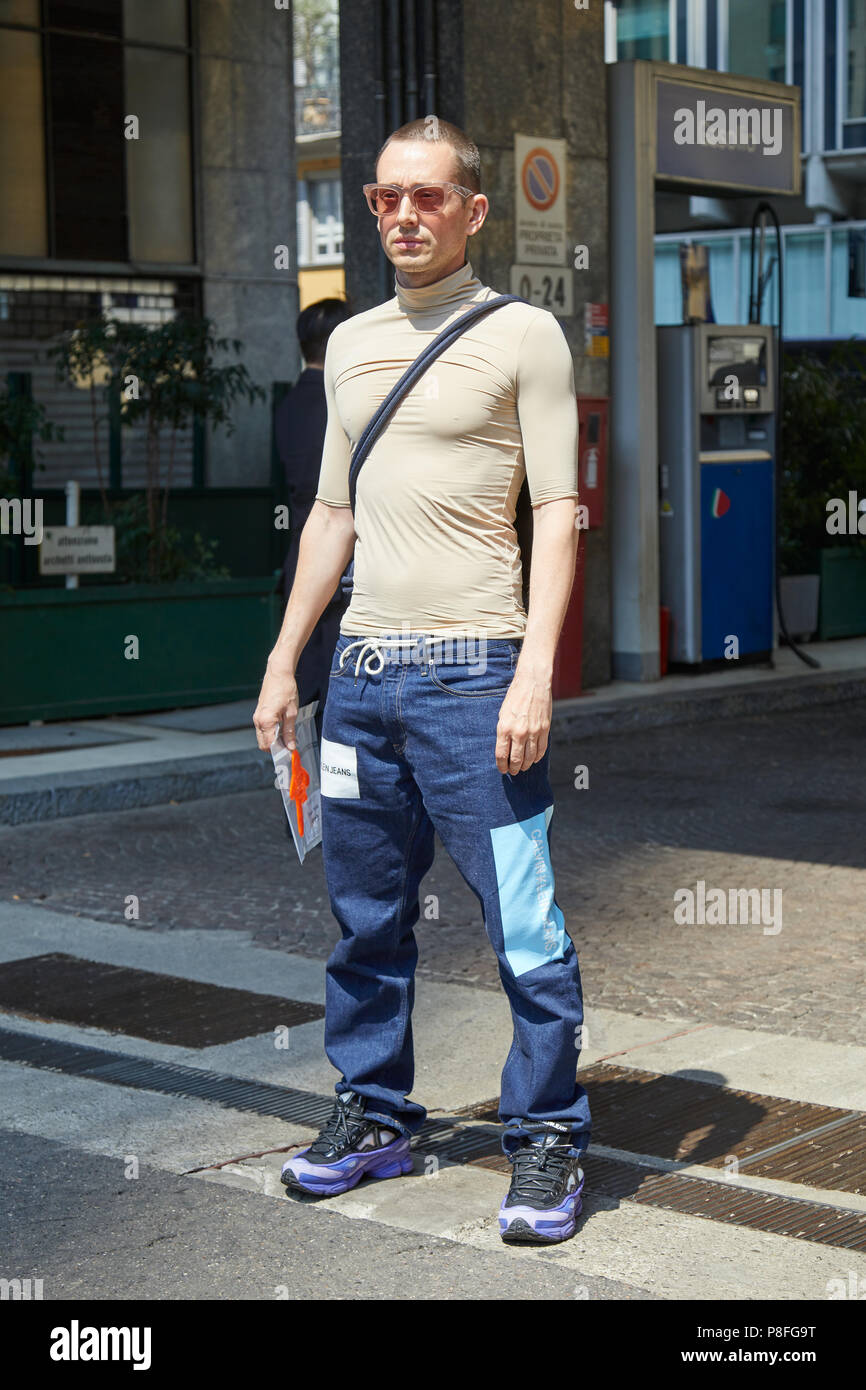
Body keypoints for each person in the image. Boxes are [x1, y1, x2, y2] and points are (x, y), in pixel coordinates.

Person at [254, 116, 591, 1246]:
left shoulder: (522, 336)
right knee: (363, 918)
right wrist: (283, 659)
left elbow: (557, 511)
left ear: (472, 210)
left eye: (428, 196)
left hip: (474, 675)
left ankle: (545, 1132)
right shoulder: (347, 345)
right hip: (359, 682)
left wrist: (533, 673)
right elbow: (332, 516)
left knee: (523, 923)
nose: (404, 213)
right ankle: (377, 1111)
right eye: (387, 196)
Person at [274, 298, 352, 747]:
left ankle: (301, 813)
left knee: (301, 700)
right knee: (339, 696)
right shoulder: (340, 402)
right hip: (340, 557)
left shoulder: (287, 404)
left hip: (297, 554)